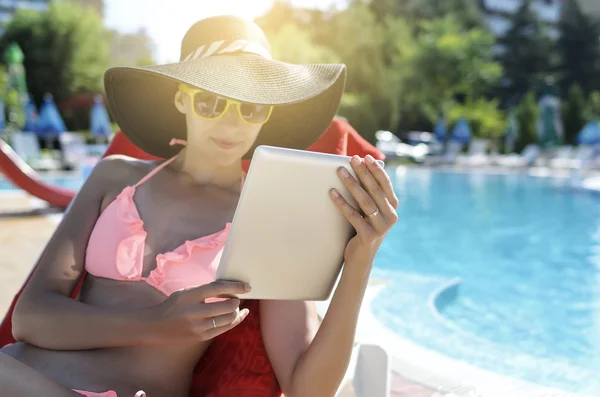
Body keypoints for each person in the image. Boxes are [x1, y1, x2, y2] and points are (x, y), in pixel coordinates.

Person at [0, 15, 398, 397]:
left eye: (250, 106)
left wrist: (360, 259)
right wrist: (156, 324)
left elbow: (306, 389)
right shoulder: (115, 177)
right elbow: (30, 319)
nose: (231, 123)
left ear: (267, 115)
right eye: (211, 101)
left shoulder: (266, 215)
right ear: (181, 99)